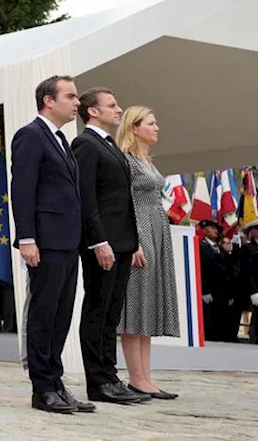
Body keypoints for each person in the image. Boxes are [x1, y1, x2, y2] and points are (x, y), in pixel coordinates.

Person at [10, 75, 93, 415]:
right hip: (44, 242)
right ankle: (42, 388)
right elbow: (23, 190)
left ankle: (56, 382)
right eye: (71, 97)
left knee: (61, 315)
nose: (77, 103)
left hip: (67, 242)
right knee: (44, 314)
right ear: (48, 100)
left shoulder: (61, 139)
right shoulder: (31, 136)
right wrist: (27, 238)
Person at [72, 88, 145, 405]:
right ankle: (97, 381)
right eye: (112, 105)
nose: (119, 109)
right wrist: (98, 240)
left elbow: (121, 199)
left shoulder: (109, 145)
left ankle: (110, 376)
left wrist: (134, 241)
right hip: (103, 243)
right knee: (98, 310)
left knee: (112, 314)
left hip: (122, 242)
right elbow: (87, 198)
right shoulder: (85, 144)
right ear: (92, 111)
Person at [115, 106, 179, 399]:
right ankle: (136, 377)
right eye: (151, 123)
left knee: (148, 304)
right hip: (140, 231)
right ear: (134, 128)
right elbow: (123, 204)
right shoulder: (126, 161)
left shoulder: (146, 160)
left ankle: (145, 377)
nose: (157, 128)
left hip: (156, 229)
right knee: (136, 305)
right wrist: (133, 242)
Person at [197, 219, 234, 343]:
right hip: (209, 290)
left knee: (220, 322)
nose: (215, 231)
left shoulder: (220, 248)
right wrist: (204, 291)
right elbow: (202, 270)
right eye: (212, 228)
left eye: (216, 229)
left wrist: (229, 252)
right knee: (208, 322)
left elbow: (227, 270)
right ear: (204, 230)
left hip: (221, 291)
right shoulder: (201, 246)